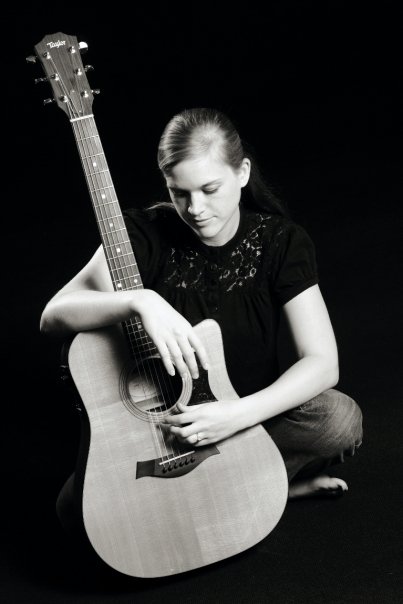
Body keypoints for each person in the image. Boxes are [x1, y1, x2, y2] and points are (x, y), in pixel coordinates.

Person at [40, 107, 362, 531]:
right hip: (163, 428)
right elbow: (53, 316)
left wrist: (235, 415)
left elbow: (323, 362)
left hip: (245, 419)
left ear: (242, 173)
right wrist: (140, 301)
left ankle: (258, 487)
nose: (195, 208)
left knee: (338, 419)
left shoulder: (280, 241)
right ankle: (258, 493)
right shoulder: (144, 233)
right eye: (179, 192)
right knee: (74, 515)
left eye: (210, 189)